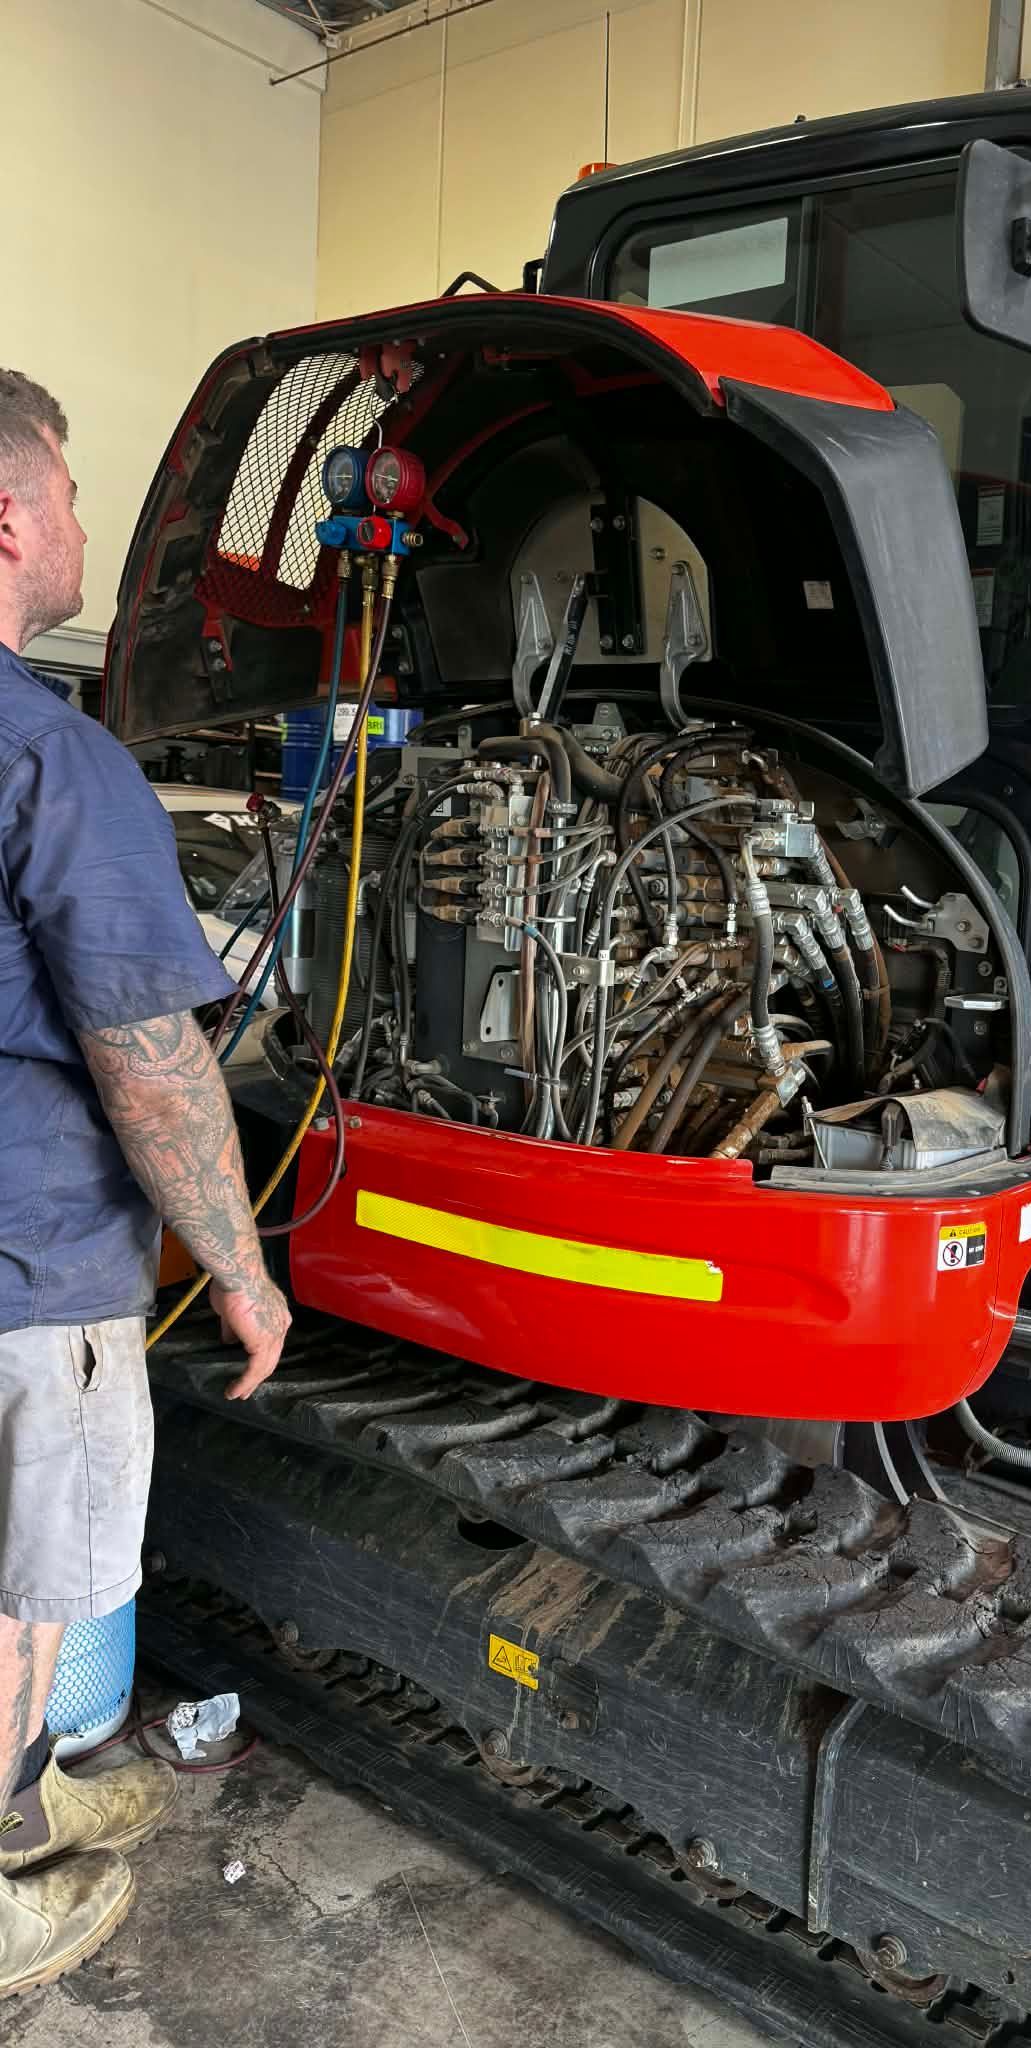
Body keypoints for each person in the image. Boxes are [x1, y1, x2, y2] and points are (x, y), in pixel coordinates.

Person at [0, 369, 290, 1996]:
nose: (93, 530)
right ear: (9, 517)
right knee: (18, 1580)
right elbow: (153, 1059)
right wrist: (241, 1273)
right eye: (79, 493)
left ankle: (21, 1805)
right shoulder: (55, 760)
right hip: (27, 1270)